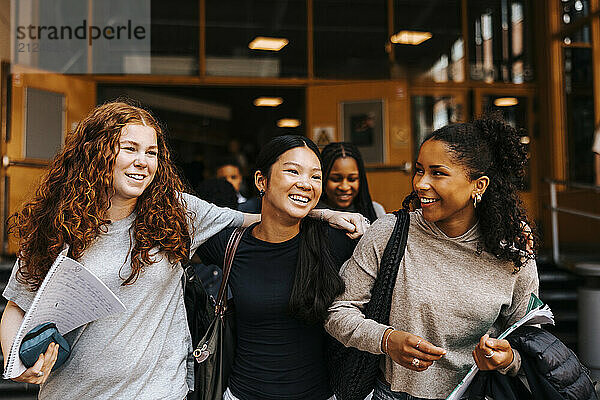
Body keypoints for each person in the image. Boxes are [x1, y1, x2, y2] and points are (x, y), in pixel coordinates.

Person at [0, 102, 367, 399]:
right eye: (129, 149)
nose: (143, 161)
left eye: (152, 152)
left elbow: (260, 214)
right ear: (96, 153)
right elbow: (16, 307)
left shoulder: (176, 212)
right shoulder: (57, 225)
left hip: (162, 391)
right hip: (74, 392)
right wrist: (16, 364)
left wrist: (326, 212)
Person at [325, 116, 539, 400]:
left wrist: (508, 358)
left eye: (437, 173)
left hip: (479, 393)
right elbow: (338, 312)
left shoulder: (511, 252)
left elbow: (531, 339)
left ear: (479, 185)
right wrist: (387, 340)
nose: (421, 184)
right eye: (419, 170)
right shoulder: (389, 233)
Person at [197, 135, 357, 400]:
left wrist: (322, 215)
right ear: (262, 181)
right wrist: (322, 213)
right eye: (293, 171)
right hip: (242, 395)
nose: (305, 184)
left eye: (315, 177)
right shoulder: (230, 244)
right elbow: (172, 208)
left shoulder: (335, 241)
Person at [319, 142, 385, 222]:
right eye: (336, 179)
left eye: (352, 179)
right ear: (323, 178)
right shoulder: (309, 212)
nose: (344, 187)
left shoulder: (375, 210)